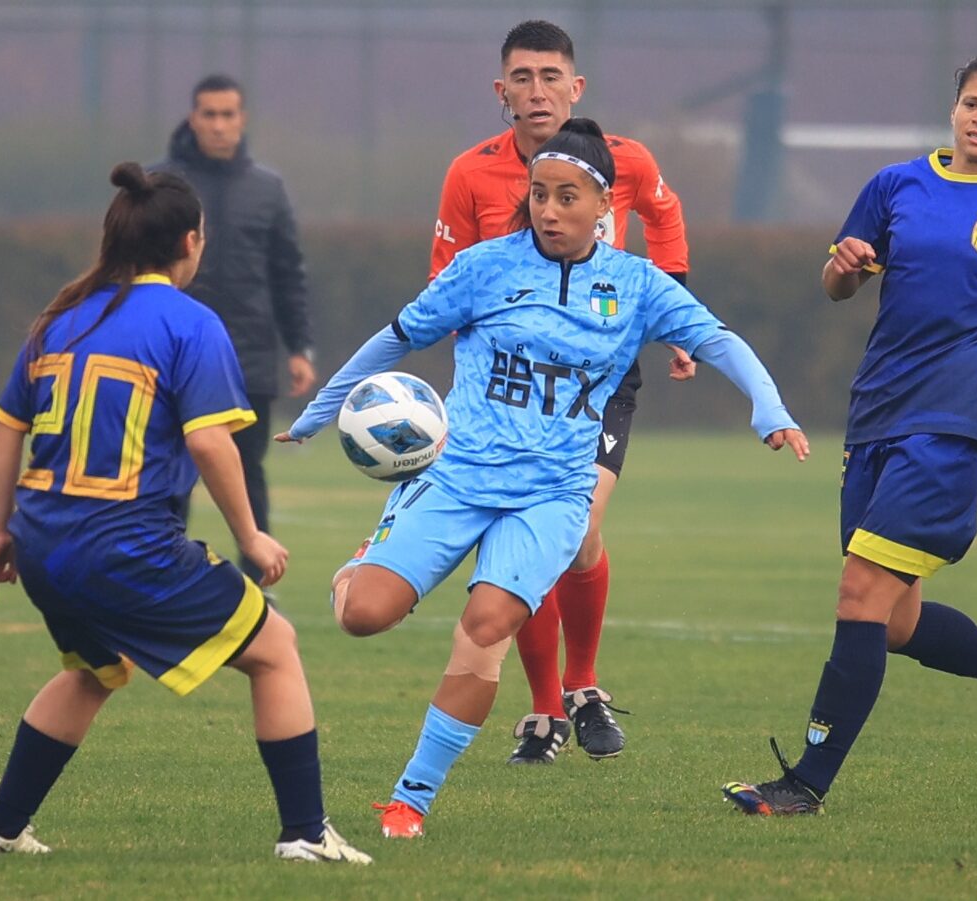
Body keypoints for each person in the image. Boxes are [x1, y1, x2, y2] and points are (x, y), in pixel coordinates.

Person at [279, 118, 809, 839]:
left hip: (554, 493)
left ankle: (410, 800)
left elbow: (718, 339)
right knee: (362, 615)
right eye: (539, 195)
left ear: (604, 207)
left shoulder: (635, 284)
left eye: (567, 197)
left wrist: (767, 404)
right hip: (458, 474)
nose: (550, 210)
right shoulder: (484, 266)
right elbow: (399, 336)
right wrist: (321, 411)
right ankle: (360, 567)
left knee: (488, 623)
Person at [721, 51, 977, 817]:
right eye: (971, 103)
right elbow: (839, 283)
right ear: (954, 111)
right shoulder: (896, 186)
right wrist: (844, 265)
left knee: (857, 594)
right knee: (894, 620)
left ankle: (805, 784)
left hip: (947, 428)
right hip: (875, 417)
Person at [0, 162, 370, 865]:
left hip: (42, 541)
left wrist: (2, 530)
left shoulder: (60, 318)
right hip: (122, 543)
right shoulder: (190, 323)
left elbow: (6, 427)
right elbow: (211, 440)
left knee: (95, 668)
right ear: (190, 241)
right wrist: (251, 535)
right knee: (275, 649)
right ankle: (306, 833)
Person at [431, 19, 696, 765]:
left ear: (576, 88)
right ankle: (546, 710)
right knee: (527, 542)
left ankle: (581, 685)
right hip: (508, 392)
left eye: (552, 76)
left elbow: (665, 214)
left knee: (574, 533)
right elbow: (444, 284)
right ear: (501, 92)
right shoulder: (470, 174)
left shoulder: (625, 161)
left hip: (597, 381)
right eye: (523, 77)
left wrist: (675, 310)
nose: (537, 90)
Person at [152, 74, 317, 586]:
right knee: (166, 478)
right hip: (169, 356)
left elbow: (287, 272)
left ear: (242, 120)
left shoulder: (266, 189)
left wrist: (298, 346)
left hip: (245, 358)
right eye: (209, 114)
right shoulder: (161, 185)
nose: (219, 125)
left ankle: (255, 590)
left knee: (247, 474)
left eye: (228, 115)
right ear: (192, 118)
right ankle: (160, 581)